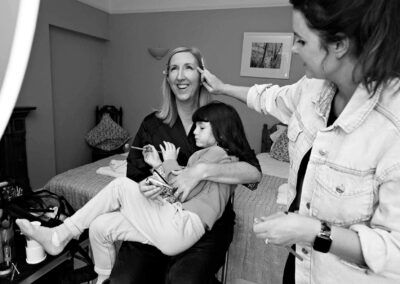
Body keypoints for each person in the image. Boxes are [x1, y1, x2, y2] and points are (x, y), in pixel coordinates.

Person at [199, 0, 400, 283]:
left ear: (339, 44)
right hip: (301, 264)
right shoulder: (312, 88)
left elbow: (395, 252)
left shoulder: (392, 126)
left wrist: (309, 230)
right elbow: (269, 98)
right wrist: (222, 88)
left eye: (301, 40)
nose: (293, 48)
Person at [15, 101, 253, 284]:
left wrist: (168, 162)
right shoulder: (207, 158)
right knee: (101, 226)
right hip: (174, 225)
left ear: (221, 132)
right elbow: (179, 190)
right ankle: (103, 279)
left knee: (120, 186)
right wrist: (157, 166)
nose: (195, 132)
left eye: (202, 128)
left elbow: (182, 191)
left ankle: (61, 234)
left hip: (183, 225)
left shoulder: (217, 155)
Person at [109, 46, 261, 284]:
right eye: (174, 69)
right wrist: (146, 187)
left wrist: (201, 171)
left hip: (206, 222)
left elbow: (253, 174)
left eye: (189, 67)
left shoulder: (219, 120)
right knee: (123, 279)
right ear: (167, 77)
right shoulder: (152, 125)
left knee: (181, 279)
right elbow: (134, 176)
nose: (180, 75)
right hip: (158, 214)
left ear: (201, 76)